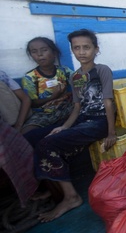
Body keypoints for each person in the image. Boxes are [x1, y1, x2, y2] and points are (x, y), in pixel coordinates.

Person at [24, 29, 117, 222]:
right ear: (72, 50)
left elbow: (108, 102)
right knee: (32, 137)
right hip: (82, 119)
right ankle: (53, 188)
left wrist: (111, 132)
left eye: (86, 47)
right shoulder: (74, 77)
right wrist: (64, 127)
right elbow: (76, 107)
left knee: (47, 144)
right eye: (77, 48)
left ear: (96, 49)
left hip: (99, 121)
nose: (81, 52)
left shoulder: (102, 70)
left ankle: (71, 197)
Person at [21, 37, 74, 133]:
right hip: (44, 114)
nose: (39, 54)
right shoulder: (30, 77)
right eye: (34, 51)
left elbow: (79, 83)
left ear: (54, 53)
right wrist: (53, 97)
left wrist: (70, 93)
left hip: (66, 108)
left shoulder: (64, 71)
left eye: (44, 50)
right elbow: (32, 102)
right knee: (26, 132)